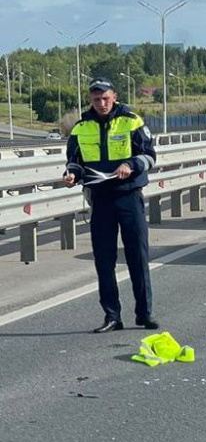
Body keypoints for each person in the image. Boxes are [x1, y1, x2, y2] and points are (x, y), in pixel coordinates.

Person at [63, 77, 159, 333]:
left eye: (106, 98)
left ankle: (144, 313)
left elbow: (150, 155)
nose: (102, 103)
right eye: (96, 99)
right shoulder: (80, 128)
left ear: (114, 96)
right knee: (104, 260)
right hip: (101, 199)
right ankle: (112, 316)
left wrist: (131, 165)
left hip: (129, 196)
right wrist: (72, 175)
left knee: (137, 256)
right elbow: (74, 160)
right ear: (91, 100)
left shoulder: (132, 121)